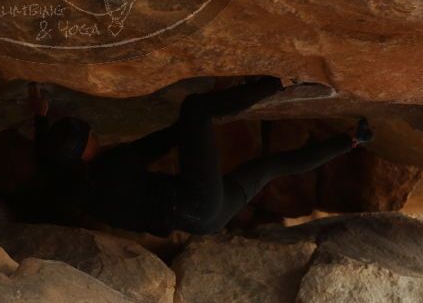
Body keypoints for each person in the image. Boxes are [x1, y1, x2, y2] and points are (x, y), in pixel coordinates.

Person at [26, 78, 374, 236]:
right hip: (196, 200)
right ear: (83, 153)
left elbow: (48, 159)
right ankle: (280, 82)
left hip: (205, 221)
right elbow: (162, 142)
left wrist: (40, 118)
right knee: (194, 109)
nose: (93, 132)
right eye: (87, 134)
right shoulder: (112, 167)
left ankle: (352, 140)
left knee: (270, 167)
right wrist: (207, 108)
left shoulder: (76, 183)